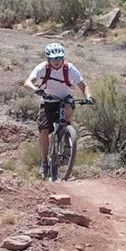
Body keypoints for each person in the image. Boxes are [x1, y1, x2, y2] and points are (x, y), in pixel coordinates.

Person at [24, 42, 94, 178]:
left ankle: (67, 138)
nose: (56, 62)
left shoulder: (70, 68)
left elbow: (83, 85)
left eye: (59, 58)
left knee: (68, 111)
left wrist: (89, 97)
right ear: (48, 59)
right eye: (53, 59)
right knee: (44, 131)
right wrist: (36, 90)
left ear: (63, 58)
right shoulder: (42, 68)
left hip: (65, 99)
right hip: (48, 101)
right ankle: (44, 163)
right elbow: (28, 82)